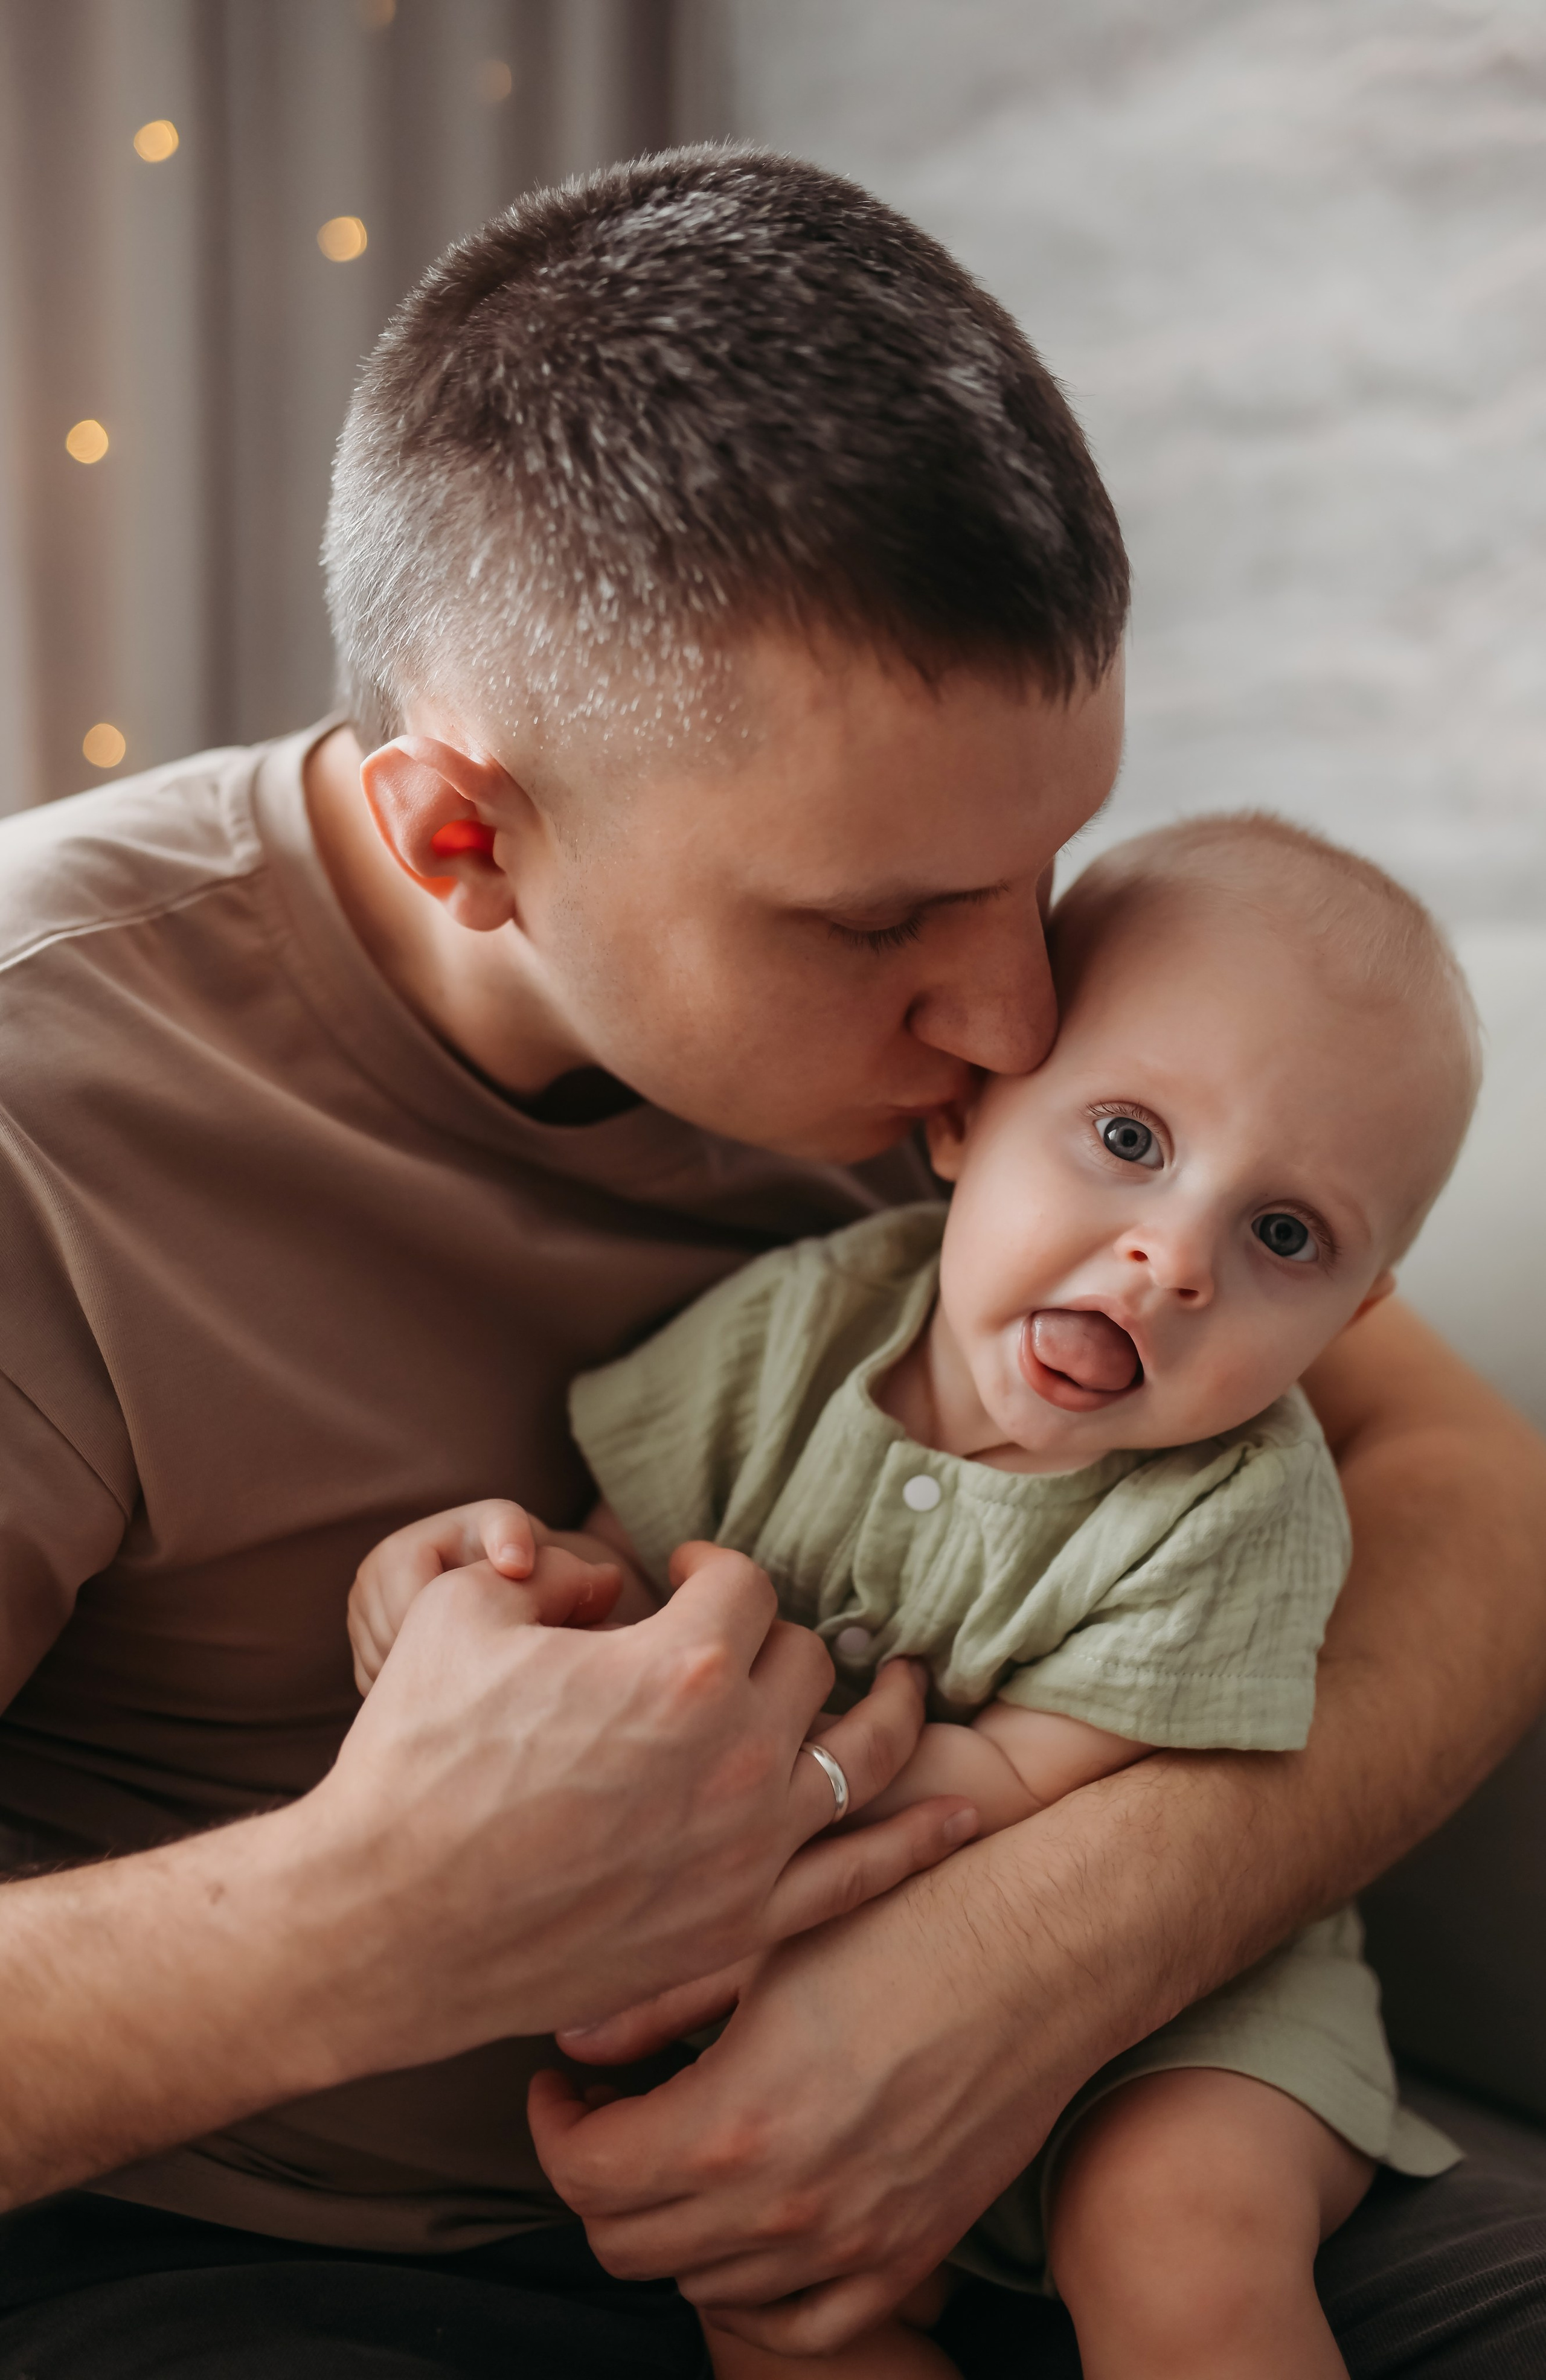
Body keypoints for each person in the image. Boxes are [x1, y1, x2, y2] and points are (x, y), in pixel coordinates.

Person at [0, 146, 1542, 2378]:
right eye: (878, 922)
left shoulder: (1056, 1083)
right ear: (466, 834)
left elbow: (1467, 1498)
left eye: (1042, 863)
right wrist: (372, 1915)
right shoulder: (45, 1109)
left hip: (1074, 2132)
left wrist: (1026, 1962)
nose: (1012, 1020)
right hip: (273, 2269)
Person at [349, 811, 1477, 2380]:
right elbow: (623, 1581)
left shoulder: (1245, 1497)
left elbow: (1010, 1791)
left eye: (1283, 1235)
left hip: (1176, 2025)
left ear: (1350, 1318)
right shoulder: (784, 1334)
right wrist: (502, 1592)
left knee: (1172, 2246)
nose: (1173, 1259)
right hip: (794, 2002)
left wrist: (719, 1809)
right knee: (770, 2302)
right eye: (1131, 1139)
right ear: (964, 1119)